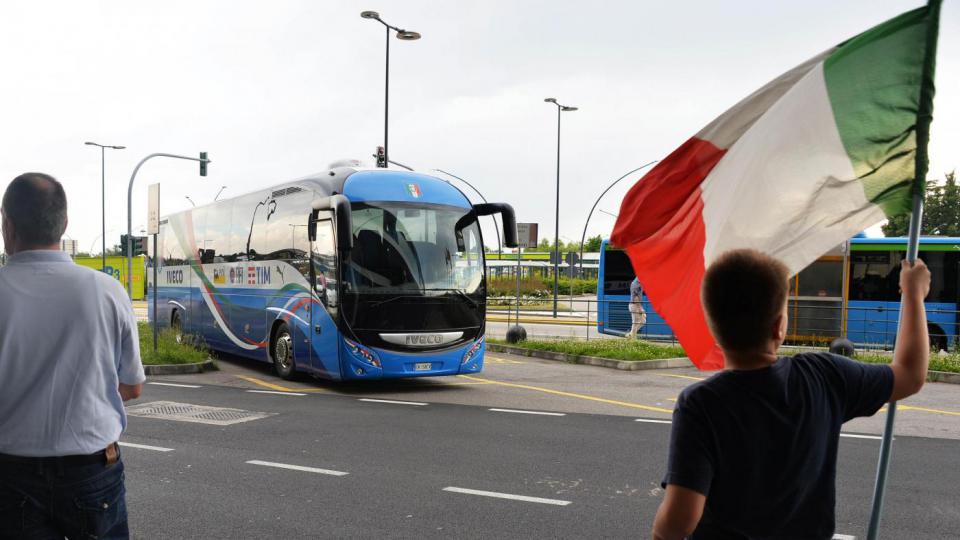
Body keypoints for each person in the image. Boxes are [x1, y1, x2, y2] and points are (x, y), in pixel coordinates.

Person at [652, 249, 930, 540]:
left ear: (712, 326)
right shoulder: (824, 376)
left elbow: (678, 522)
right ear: (779, 326)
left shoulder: (700, 404)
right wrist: (913, 294)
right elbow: (910, 374)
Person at [0, 173, 145, 538]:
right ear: (64, 224)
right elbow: (132, 387)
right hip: (94, 472)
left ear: (7, 225)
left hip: (9, 475)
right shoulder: (108, 291)